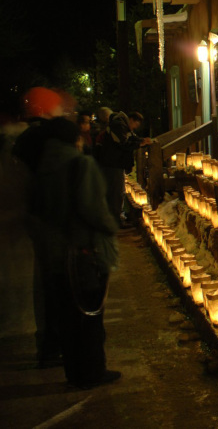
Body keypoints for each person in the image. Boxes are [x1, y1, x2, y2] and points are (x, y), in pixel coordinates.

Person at [32, 117, 120, 388]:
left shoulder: (42, 167)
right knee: (90, 313)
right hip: (84, 250)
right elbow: (93, 209)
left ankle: (74, 370)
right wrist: (110, 227)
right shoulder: (80, 164)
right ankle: (93, 371)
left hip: (54, 252)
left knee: (67, 315)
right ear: (75, 138)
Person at [12, 87, 67, 367]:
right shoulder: (48, 139)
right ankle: (52, 344)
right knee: (55, 283)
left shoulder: (23, 140)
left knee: (45, 282)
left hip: (36, 217)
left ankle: (48, 341)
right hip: (51, 219)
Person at [95, 110, 152, 227]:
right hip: (113, 163)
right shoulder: (118, 125)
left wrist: (141, 140)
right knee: (116, 192)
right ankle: (115, 221)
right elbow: (124, 143)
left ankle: (116, 218)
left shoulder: (122, 126)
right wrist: (140, 144)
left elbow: (131, 138)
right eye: (135, 125)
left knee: (118, 191)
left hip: (116, 164)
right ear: (131, 120)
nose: (133, 129)